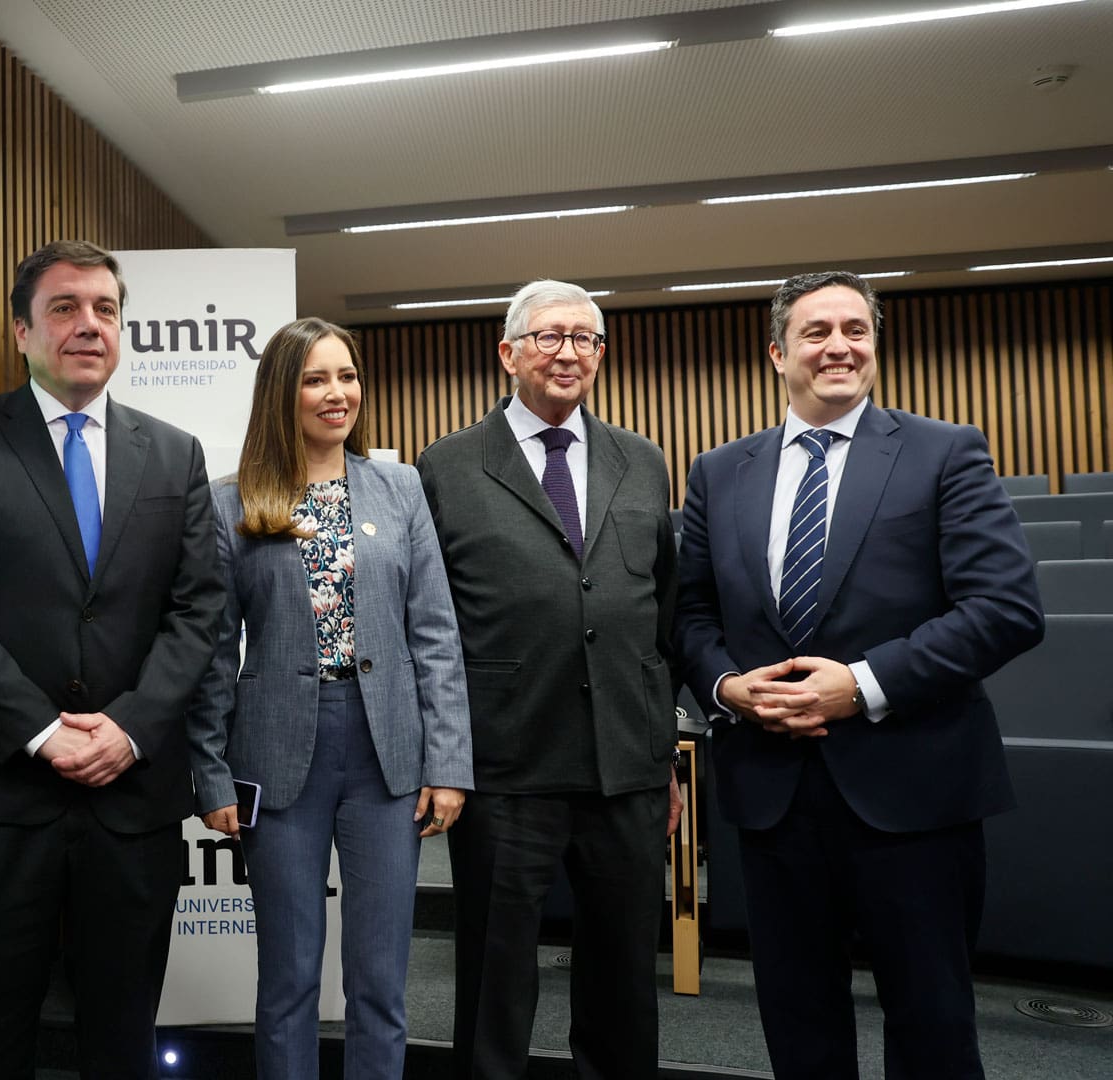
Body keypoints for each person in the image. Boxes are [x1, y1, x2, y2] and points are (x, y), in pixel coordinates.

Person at [674, 270, 1044, 1079]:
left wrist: (862, 684)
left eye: (856, 329)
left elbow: (1006, 608)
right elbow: (690, 617)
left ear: (875, 345)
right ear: (777, 352)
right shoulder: (718, 472)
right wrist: (728, 689)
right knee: (798, 1025)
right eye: (816, 332)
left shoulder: (945, 450)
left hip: (914, 794)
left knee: (933, 1026)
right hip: (773, 795)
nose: (839, 346)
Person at [0, 240, 225, 1079]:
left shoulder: (176, 453)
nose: (89, 325)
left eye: (105, 310)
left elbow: (199, 610)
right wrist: (44, 731)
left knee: (122, 1036)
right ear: (21, 331)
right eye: (65, 308)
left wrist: (131, 727)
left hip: (133, 795)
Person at [187, 317, 471, 1079]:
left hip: (386, 755)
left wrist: (448, 763)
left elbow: (435, 633)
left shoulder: (400, 485)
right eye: (316, 379)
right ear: (283, 391)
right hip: (278, 758)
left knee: (381, 982)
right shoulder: (232, 501)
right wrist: (210, 773)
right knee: (288, 978)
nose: (336, 393)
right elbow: (213, 654)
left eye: (346, 376)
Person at [416, 279, 683, 1080]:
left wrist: (665, 752)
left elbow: (659, 615)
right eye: (548, 337)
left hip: (624, 767)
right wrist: (444, 758)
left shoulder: (644, 461)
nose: (568, 353)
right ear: (508, 353)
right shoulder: (448, 466)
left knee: (625, 976)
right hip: (504, 767)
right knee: (496, 979)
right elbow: (428, 623)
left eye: (585, 340)